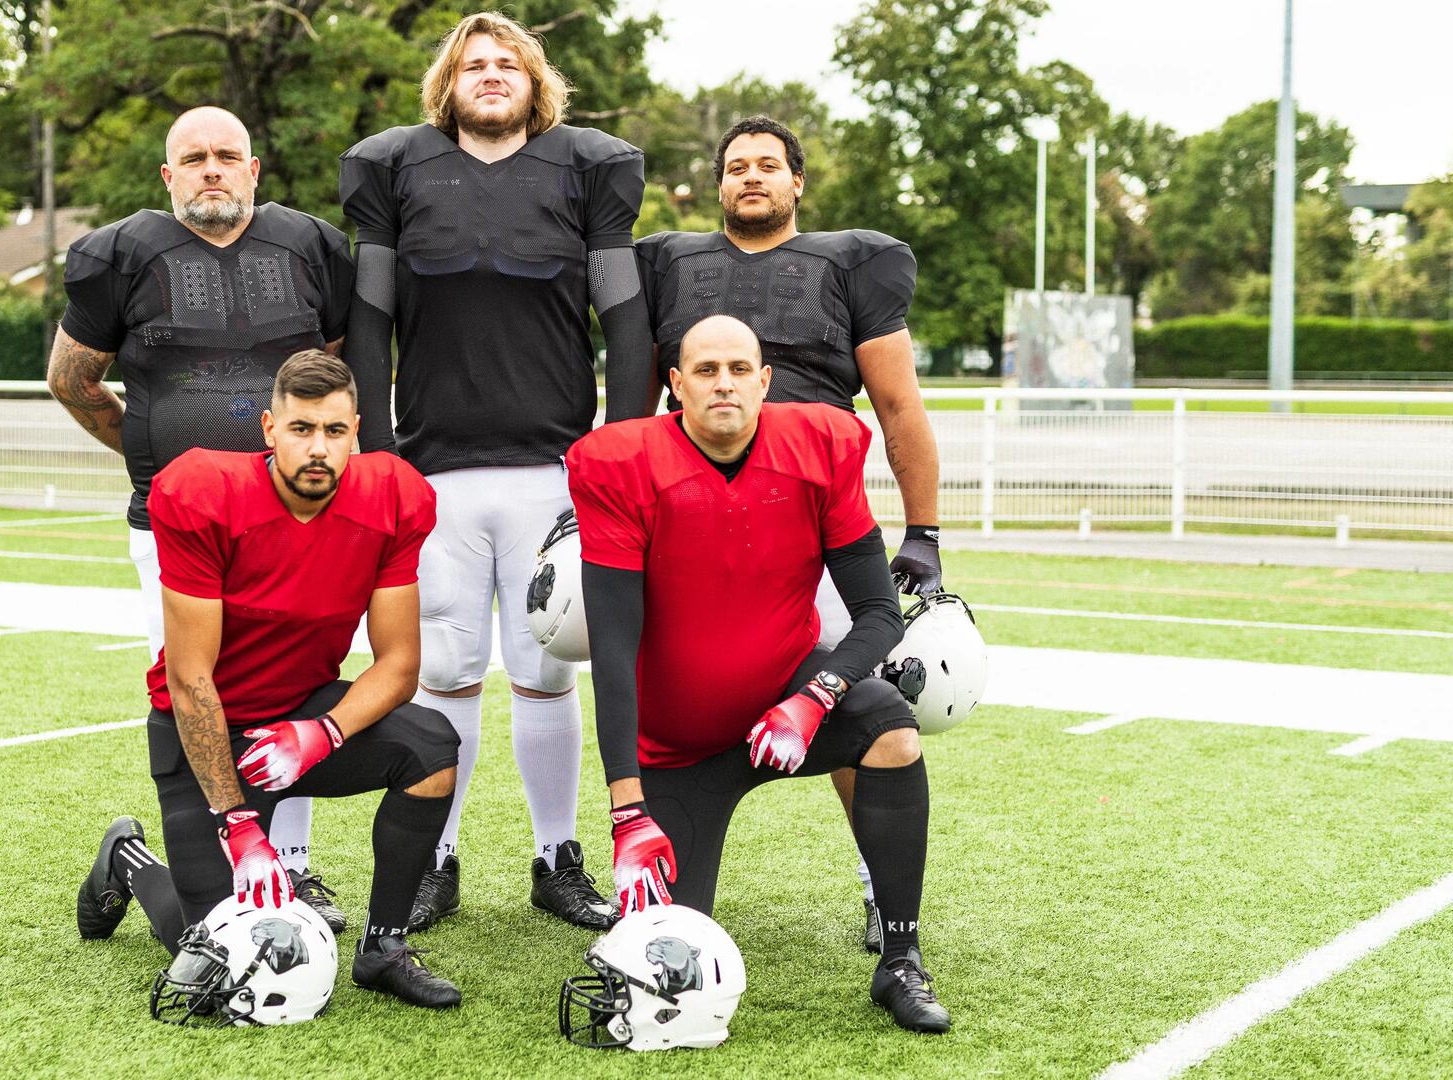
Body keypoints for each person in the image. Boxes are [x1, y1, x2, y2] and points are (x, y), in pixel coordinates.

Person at [337, 10, 656, 931]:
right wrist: (380, 456)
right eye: (471, 64)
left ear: (534, 82)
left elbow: (625, 322)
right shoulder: (399, 172)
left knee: (548, 671)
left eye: (505, 64)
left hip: (554, 467)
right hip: (434, 472)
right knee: (445, 667)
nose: (488, 75)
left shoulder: (584, 171)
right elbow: (369, 324)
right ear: (448, 84)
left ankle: (557, 855)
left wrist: (621, 448)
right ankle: (438, 857)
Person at [567, 315, 951, 1034]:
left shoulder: (820, 445)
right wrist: (627, 809)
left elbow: (876, 613)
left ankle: (900, 956)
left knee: (891, 731)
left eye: (739, 369)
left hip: (785, 700)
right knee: (663, 971)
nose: (724, 384)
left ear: (764, 381)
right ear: (675, 385)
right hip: (678, 744)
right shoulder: (620, 462)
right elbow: (613, 650)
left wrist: (813, 700)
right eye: (706, 370)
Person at [635, 115, 945, 952]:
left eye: (768, 165)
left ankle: (883, 889)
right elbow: (634, 394)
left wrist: (925, 527)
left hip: (813, 515)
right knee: (669, 681)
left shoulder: (850, 262)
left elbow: (899, 405)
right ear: (718, 183)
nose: (752, 178)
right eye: (736, 167)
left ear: (797, 181)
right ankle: (650, 854)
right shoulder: (669, 261)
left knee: (853, 695)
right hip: (691, 511)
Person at [73, 351, 465, 1009]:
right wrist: (236, 820)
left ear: (357, 432)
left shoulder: (391, 496)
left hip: (300, 714)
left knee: (431, 749)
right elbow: (190, 676)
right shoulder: (204, 494)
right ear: (268, 430)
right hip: (207, 733)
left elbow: (398, 664)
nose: (319, 449)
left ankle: (385, 947)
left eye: (334, 432)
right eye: (301, 429)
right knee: (219, 952)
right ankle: (128, 860)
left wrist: (323, 731)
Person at [48, 106, 354, 930]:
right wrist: (148, 455)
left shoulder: (311, 247)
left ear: (255, 170)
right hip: (173, 524)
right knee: (199, 683)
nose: (212, 169)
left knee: (292, 678)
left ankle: (290, 865)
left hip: (296, 516)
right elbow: (71, 379)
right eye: (195, 158)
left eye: (228, 156)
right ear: (169, 175)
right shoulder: (124, 253)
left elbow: (338, 375)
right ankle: (156, 854)